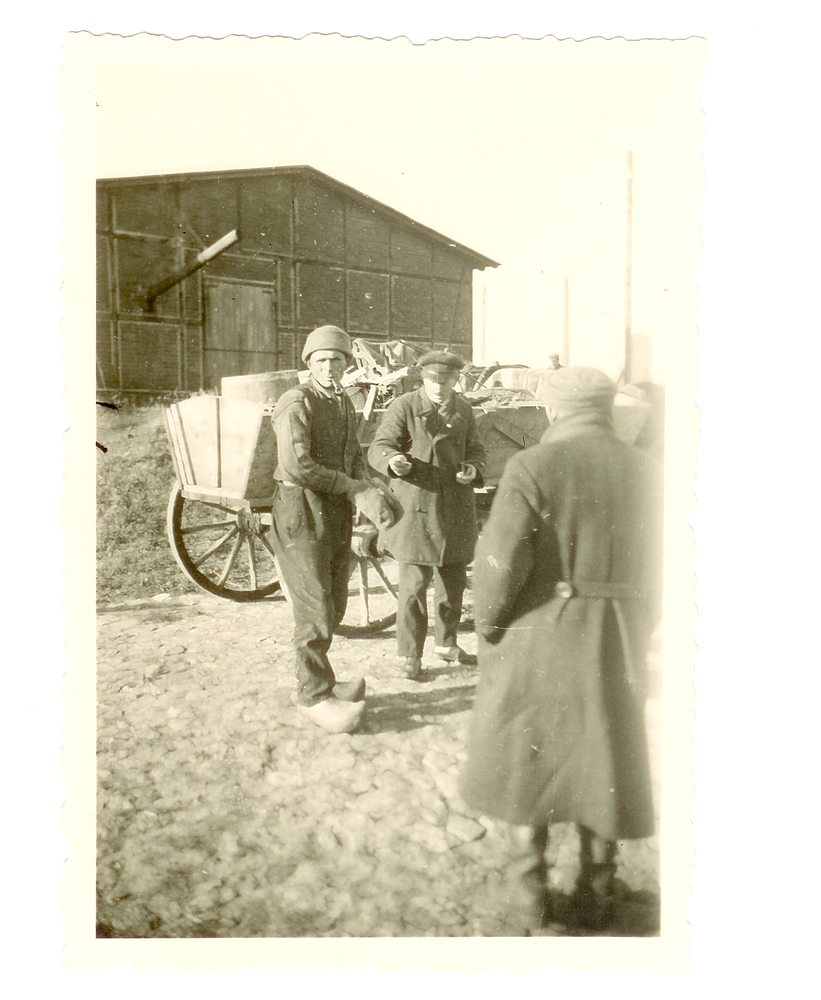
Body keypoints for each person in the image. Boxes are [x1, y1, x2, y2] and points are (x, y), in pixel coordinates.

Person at [459, 366, 662, 932]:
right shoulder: (648, 469)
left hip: (541, 633)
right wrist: (636, 621)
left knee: (530, 763)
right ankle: (598, 889)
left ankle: (530, 899)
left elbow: (498, 565)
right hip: (617, 633)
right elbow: (670, 568)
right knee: (607, 760)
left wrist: (491, 627)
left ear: (552, 411)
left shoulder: (533, 465)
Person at [270, 325, 372, 734]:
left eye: (338, 358)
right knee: (314, 607)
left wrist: (370, 481)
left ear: (349, 363)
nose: (330, 366)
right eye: (321, 359)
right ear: (309, 363)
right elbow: (297, 466)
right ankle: (313, 696)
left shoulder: (343, 401)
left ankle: (324, 682)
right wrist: (351, 486)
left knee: (333, 601)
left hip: (332, 509)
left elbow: (354, 453)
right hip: (301, 511)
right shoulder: (296, 402)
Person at [368, 351, 487, 680]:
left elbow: (476, 448)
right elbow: (379, 445)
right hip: (416, 509)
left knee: (453, 583)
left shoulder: (463, 408)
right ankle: (409, 653)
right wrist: (393, 460)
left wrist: (473, 468)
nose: (440, 386)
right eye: (434, 380)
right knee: (414, 586)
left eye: (446, 381)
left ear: (455, 380)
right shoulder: (404, 406)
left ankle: (446, 644)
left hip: (455, 508)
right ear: (422, 378)